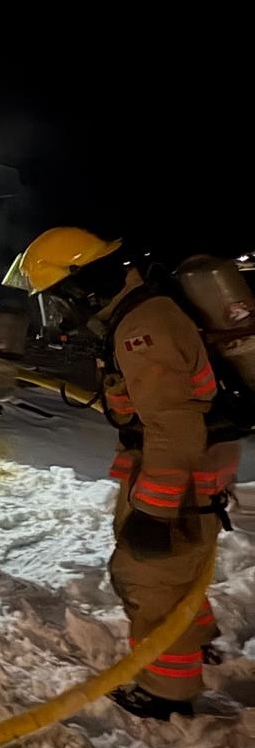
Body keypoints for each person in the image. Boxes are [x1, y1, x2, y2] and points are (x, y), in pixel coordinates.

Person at [16, 226, 239, 720]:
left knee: (147, 577)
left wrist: (155, 513)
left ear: (82, 284)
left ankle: (167, 691)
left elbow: (174, 428)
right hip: (178, 468)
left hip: (177, 478)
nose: (60, 311)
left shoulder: (144, 329)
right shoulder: (139, 313)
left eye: (58, 299)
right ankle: (196, 639)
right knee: (175, 573)